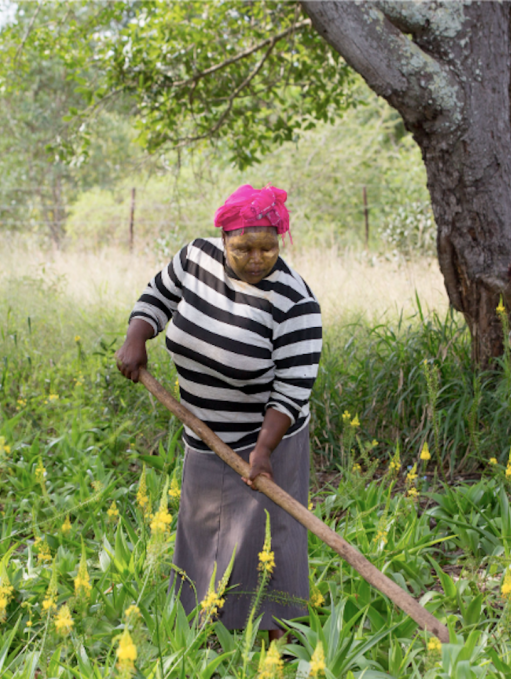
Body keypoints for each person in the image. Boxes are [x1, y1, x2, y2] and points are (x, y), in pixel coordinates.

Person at [115, 184, 322, 638]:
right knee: (203, 527)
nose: (255, 257)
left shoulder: (295, 303)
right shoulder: (195, 259)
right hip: (203, 434)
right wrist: (138, 335)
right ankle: (201, 628)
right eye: (242, 247)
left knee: (266, 538)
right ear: (223, 239)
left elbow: (291, 391)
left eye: (267, 247)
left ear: (281, 241)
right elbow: (157, 296)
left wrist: (264, 449)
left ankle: (275, 637)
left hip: (267, 441)